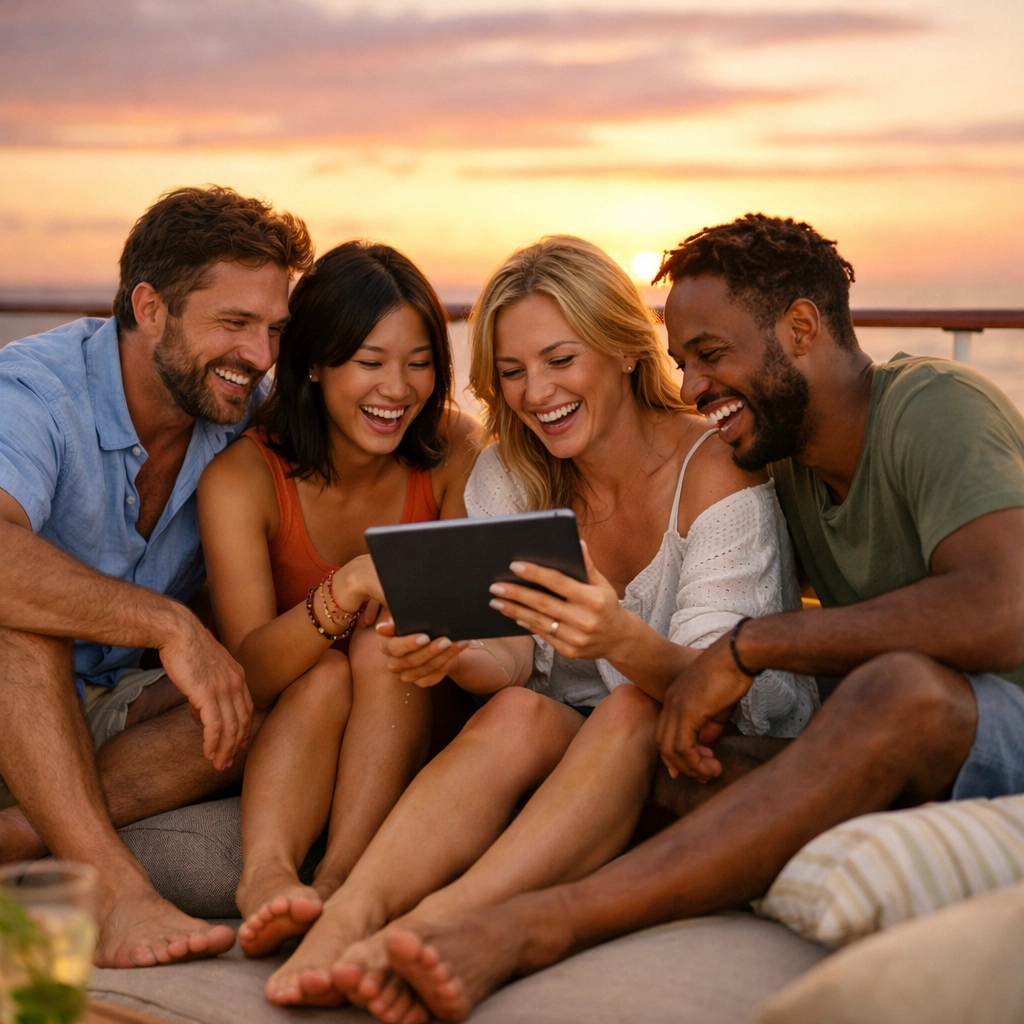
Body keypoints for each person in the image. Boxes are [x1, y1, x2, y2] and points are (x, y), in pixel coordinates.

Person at [371, 213, 1024, 1024]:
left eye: (710, 355)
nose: (689, 388)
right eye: (681, 362)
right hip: (878, 741)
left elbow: (1004, 612)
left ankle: (544, 926)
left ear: (801, 326)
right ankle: (377, 915)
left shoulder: (934, 401)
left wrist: (750, 646)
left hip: (994, 713)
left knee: (903, 688)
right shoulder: (781, 460)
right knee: (650, 758)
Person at [261, 234, 817, 1013]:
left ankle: (436, 924)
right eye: (513, 372)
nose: (535, 393)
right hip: (573, 746)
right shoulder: (514, 468)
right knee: (523, 710)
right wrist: (455, 653)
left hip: (727, 752)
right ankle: (349, 910)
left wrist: (618, 638)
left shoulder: (716, 473)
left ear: (624, 348)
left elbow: (720, 694)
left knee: (629, 706)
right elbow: (514, 662)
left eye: (560, 360)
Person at [0, 186, 313, 967]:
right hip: (15, 678)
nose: (262, 355)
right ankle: (113, 893)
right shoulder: (35, 393)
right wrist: (170, 624)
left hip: (108, 700)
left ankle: (21, 838)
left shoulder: (241, 404)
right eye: (234, 323)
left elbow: (372, 412)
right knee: (22, 619)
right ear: (149, 307)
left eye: (274, 329)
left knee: (282, 705)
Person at [196, 241, 477, 958]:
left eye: (420, 363)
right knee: (318, 668)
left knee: (383, 642)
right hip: (301, 713)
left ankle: (347, 875)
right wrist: (348, 582)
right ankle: (267, 878)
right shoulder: (244, 477)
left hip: (426, 699)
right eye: (370, 361)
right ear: (316, 362)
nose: (398, 389)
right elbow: (251, 672)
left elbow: (477, 615)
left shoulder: (453, 450)